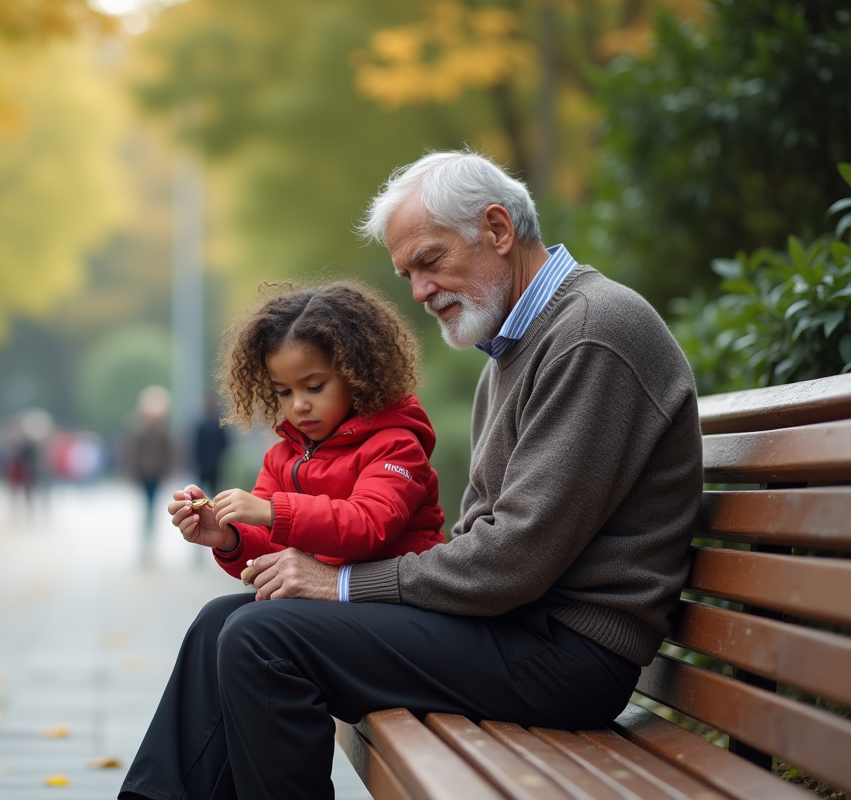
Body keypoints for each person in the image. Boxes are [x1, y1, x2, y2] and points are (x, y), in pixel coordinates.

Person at [118, 150, 703, 800]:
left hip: (566, 654)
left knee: (263, 638)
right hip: (516, 626)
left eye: (430, 261)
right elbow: (489, 547)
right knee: (219, 625)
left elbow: (511, 560)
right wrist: (241, 544)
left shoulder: (591, 334)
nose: (420, 291)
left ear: (498, 230)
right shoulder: (519, 345)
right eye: (408, 274)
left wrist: (343, 584)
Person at [166, 281, 445, 583]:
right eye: (284, 392)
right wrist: (228, 536)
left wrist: (272, 511)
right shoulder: (281, 458)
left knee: (252, 615)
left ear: (357, 375)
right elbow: (269, 552)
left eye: (314, 387)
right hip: (320, 595)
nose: (299, 405)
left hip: (391, 593)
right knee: (217, 610)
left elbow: (367, 526)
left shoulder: (397, 445)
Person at [125, 385, 173, 560]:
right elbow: (133, 454)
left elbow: (168, 454)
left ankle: (150, 541)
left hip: (157, 474)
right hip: (144, 473)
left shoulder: (163, 433)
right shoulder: (140, 432)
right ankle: (146, 542)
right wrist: (132, 474)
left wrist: (168, 472)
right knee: (147, 507)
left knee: (152, 507)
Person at [191, 396, 228, 500]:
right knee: (214, 490)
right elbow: (225, 444)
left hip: (203, 463)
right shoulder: (219, 426)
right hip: (215, 462)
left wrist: (196, 461)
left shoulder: (201, 426)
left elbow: (197, 446)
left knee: (199, 490)